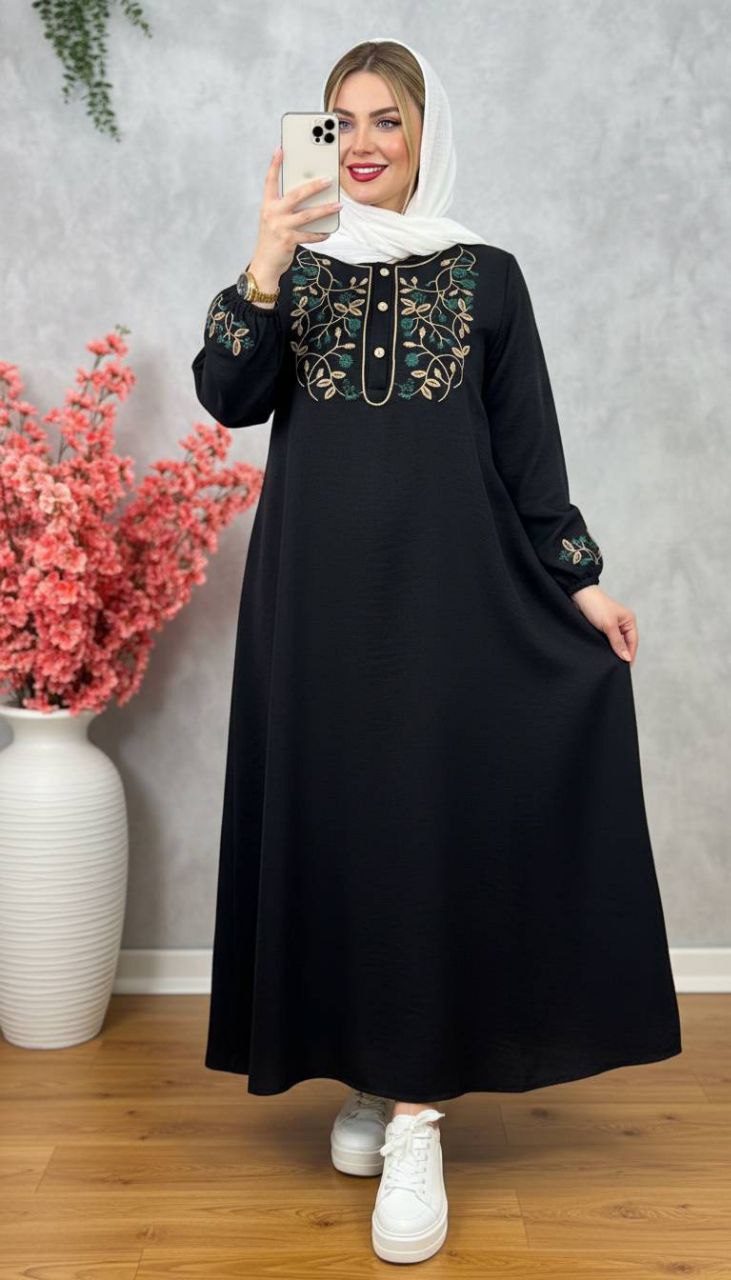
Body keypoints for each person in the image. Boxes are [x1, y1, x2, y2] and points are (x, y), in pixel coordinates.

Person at [191, 36, 682, 1267]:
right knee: (346, 829)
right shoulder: (296, 276)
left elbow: (528, 455)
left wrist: (581, 584)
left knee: (421, 831)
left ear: (424, 136)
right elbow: (224, 395)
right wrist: (264, 260)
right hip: (313, 613)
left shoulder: (488, 277)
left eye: (387, 121)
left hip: (445, 613)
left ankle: (416, 1117)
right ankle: (373, 1067)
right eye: (340, 121)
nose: (361, 144)